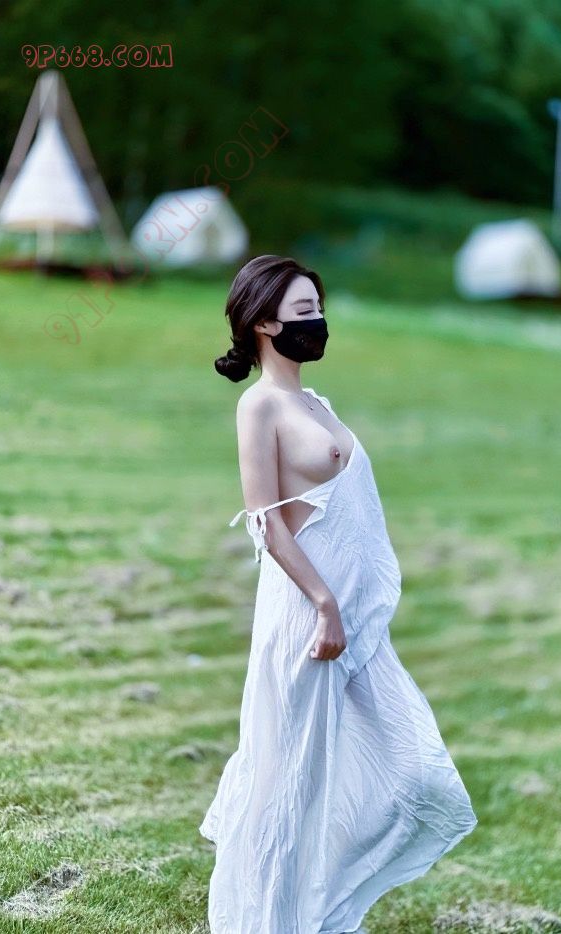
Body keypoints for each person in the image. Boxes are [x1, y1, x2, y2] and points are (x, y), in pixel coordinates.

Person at [199, 255, 478, 933]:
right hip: (308, 620)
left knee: (414, 772)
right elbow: (267, 523)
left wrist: (350, 602)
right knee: (291, 782)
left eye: (319, 309)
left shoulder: (316, 403)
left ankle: (322, 912)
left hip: (352, 621)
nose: (317, 322)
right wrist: (324, 603)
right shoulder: (259, 405)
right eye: (303, 313)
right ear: (264, 324)